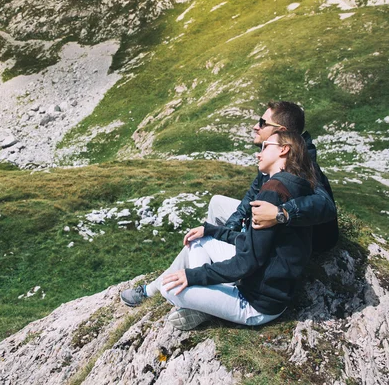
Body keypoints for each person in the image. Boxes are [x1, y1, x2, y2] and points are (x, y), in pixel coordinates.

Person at [120, 101, 338, 307]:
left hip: (299, 241)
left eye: (262, 123)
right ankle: (213, 271)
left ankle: (159, 288)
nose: (256, 126)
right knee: (216, 205)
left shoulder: (302, 160)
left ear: (279, 131)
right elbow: (250, 197)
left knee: (207, 241)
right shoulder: (272, 158)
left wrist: (281, 214)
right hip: (279, 230)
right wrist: (226, 230)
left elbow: (326, 205)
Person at [161, 130, 317, 330]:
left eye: (265, 146)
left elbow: (247, 262)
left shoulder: (273, 192)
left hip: (256, 304)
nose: (258, 154)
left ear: (284, 150)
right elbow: (253, 242)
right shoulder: (297, 187)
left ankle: (208, 306)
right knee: (199, 240)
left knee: (168, 288)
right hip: (270, 290)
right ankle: (209, 299)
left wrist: (194, 275)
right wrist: (212, 231)